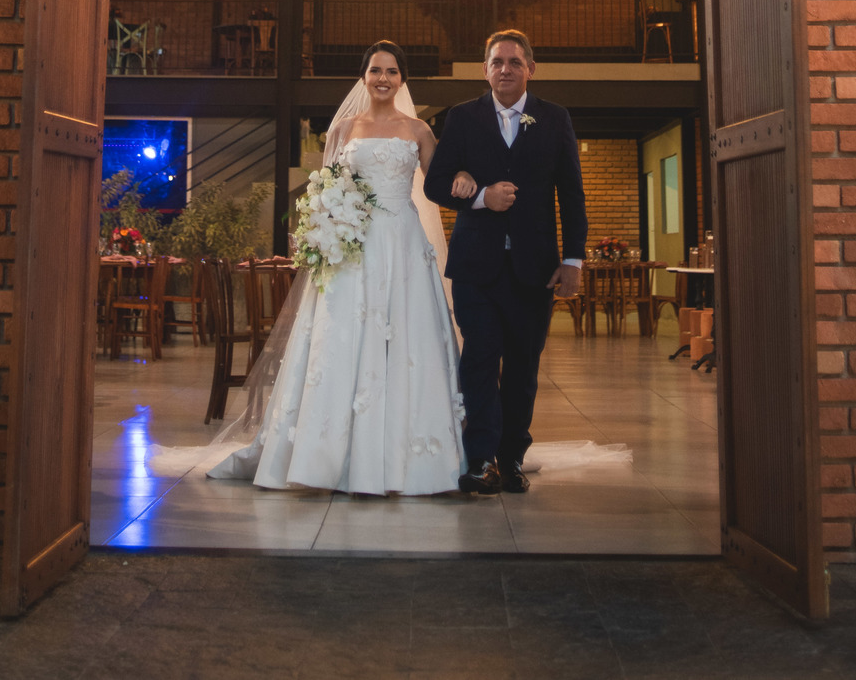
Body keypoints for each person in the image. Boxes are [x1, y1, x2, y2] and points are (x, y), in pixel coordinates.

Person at [202, 41, 466, 495]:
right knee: (341, 339)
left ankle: (406, 455)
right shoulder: (343, 129)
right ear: (363, 76)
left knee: (407, 338)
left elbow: (437, 185)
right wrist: (325, 224)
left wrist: (464, 178)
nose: (383, 78)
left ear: (403, 79)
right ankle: (324, 456)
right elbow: (324, 189)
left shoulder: (419, 129)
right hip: (353, 249)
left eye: (392, 71)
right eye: (375, 70)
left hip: (402, 241)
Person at [423, 29, 587, 496]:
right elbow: (436, 184)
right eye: (497, 62)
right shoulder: (462, 118)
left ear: (530, 68)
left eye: (514, 62)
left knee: (522, 366)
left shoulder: (554, 119)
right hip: (477, 268)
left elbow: (572, 194)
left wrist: (572, 258)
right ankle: (480, 461)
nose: (505, 69)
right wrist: (479, 197)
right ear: (485, 69)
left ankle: (512, 458)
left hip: (535, 270)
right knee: (478, 360)